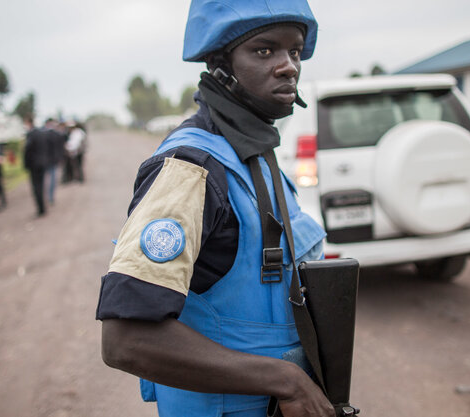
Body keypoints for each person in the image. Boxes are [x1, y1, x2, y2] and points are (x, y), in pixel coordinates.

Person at [97, 1, 333, 416]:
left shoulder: (255, 153)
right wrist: (287, 381)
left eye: (294, 51)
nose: (288, 66)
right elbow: (126, 338)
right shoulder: (191, 167)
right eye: (264, 50)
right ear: (220, 64)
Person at [23, 117, 51, 217]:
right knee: (42, 186)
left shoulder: (30, 134)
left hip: (34, 165)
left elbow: (27, 151)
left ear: (28, 122)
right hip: (43, 163)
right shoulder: (41, 133)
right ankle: (43, 207)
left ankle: (41, 209)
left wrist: (25, 164)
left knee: (36, 187)